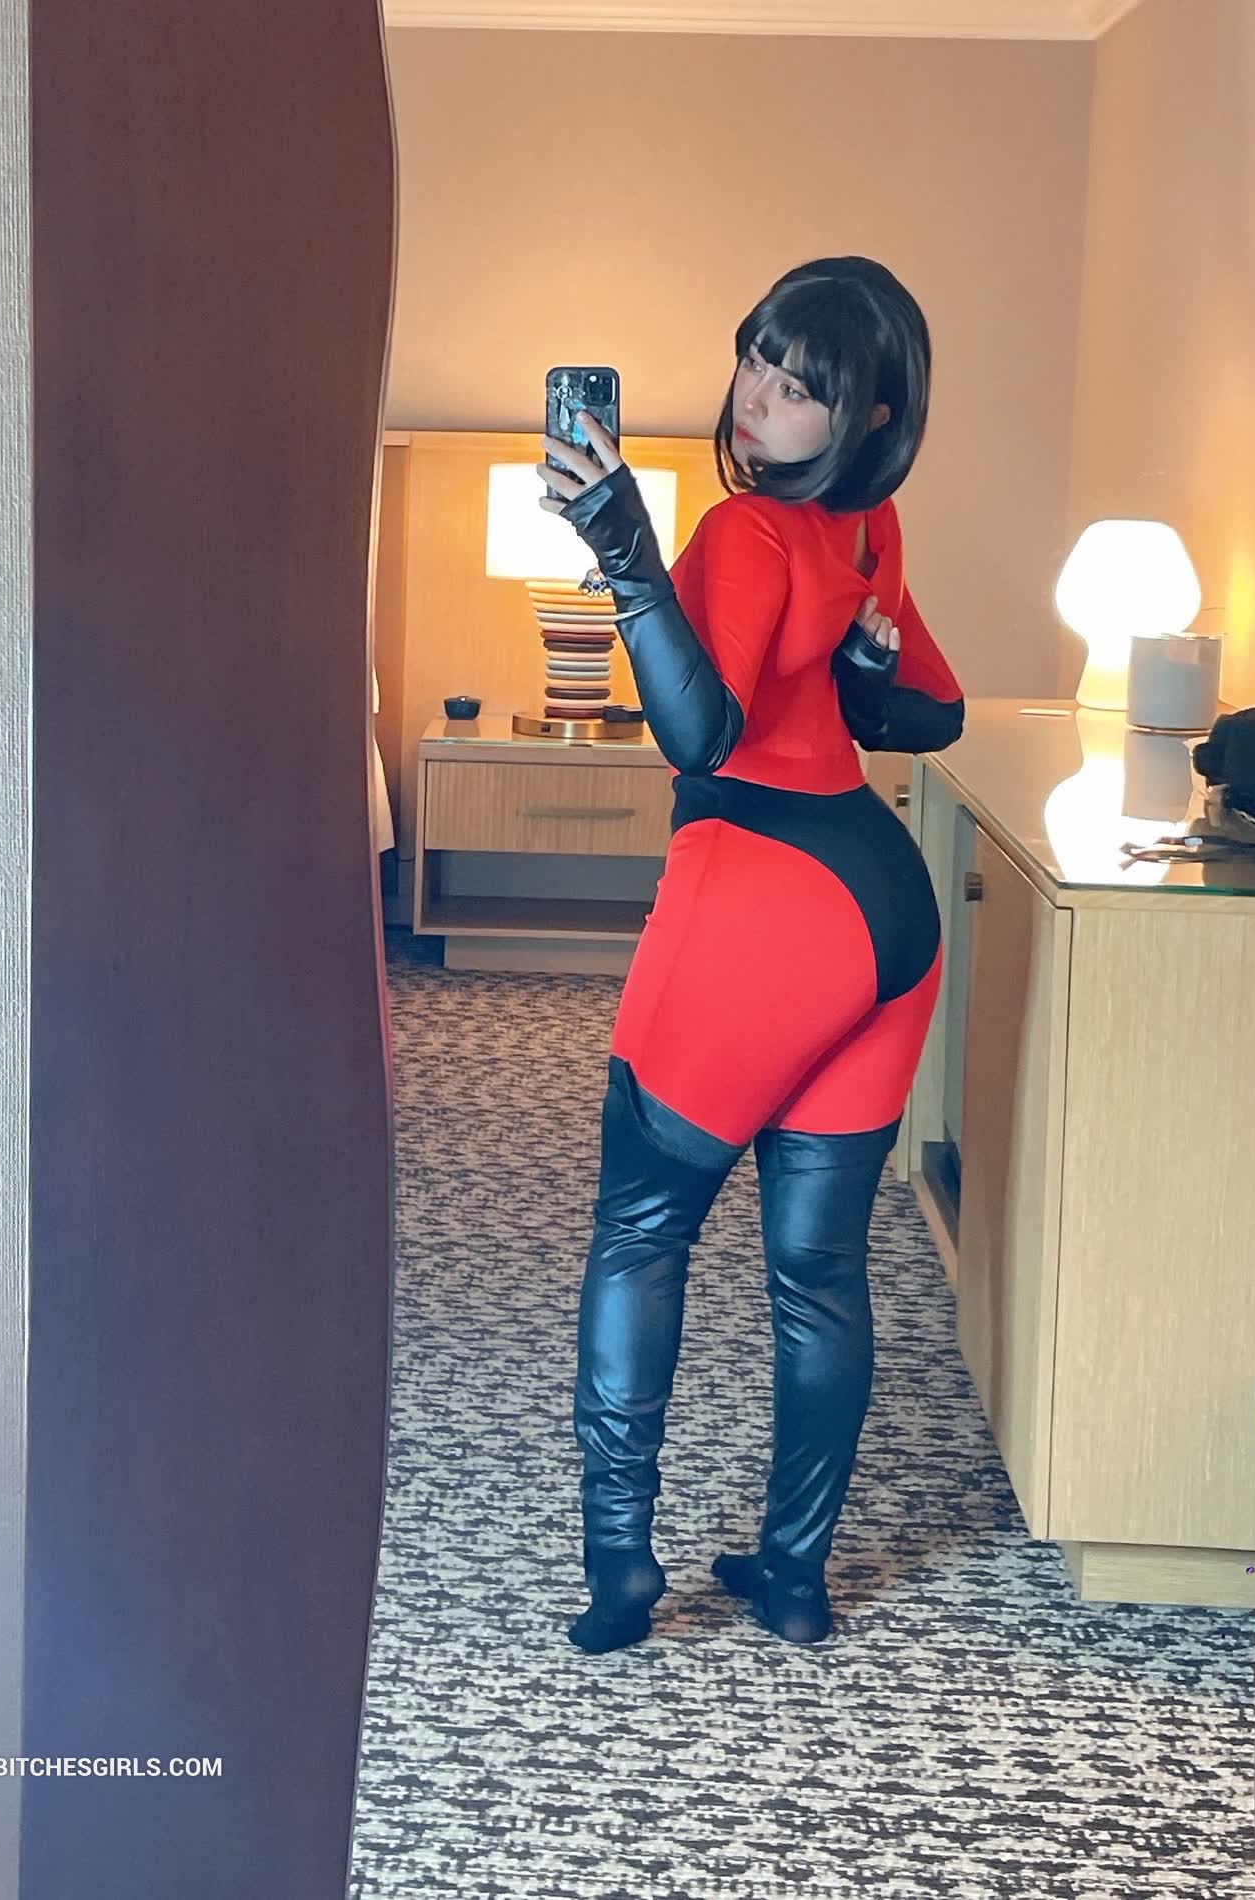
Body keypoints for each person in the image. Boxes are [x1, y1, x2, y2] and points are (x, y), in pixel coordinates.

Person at [538, 257, 965, 1655]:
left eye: (802, 386)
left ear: (869, 412)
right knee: (818, 1271)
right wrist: (857, 672)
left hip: (767, 902)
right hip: (887, 914)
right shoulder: (867, 522)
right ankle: (792, 1577)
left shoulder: (743, 531)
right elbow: (930, 715)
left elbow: (702, 735)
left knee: (641, 1227)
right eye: (759, 362)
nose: (761, 399)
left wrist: (623, 550)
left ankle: (620, 1575)